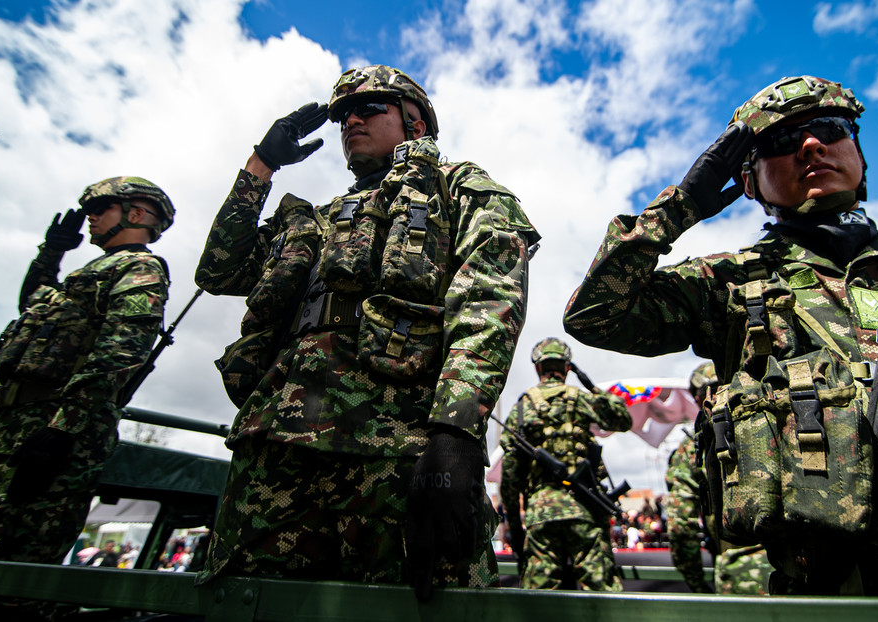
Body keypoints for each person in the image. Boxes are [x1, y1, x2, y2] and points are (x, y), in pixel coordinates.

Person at [564, 75, 878, 597]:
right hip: (837, 601)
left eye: (829, 129)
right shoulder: (729, 287)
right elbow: (596, 315)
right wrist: (678, 208)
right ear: (748, 182)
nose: (811, 145)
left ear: (857, 150)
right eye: (781, 142)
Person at [194, 65, 539, 601]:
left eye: (370, 108)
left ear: (416, 123)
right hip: (276, 451)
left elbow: (490, 300)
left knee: (416, 606)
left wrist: (455, 432)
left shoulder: (458, 188)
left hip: (393, 451)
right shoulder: (316, 218)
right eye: (342, 115)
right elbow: (219, 271)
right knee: (250, 604)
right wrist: (261, 166)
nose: (351, 119)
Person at [0, 177, 173, 566]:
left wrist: (60, 430)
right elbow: (34, 304)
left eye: (100, 208)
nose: (90, 217)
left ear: (137, 213)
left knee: (17, 567)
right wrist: (51, 252)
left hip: (54, 431)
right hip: (8, 427)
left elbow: (119, 354)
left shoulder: (139, 267)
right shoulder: (87, 274)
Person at [498, 338, 632, 591]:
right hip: (585, 508)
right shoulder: (580, 398)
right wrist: (591, 386)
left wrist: (515, 528)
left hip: (542, 514)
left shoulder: (522, 408)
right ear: (567, 368)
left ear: (538, 368)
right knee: (602, 593)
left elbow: (511, 474)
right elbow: (622, 419)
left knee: (542, 598)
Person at [665, 361, 770, 594]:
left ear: (699, 399)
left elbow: (681, 525)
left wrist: (697, 584)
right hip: (813, 567)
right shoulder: (774, 419)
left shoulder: (693, 447)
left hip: (742, 573)